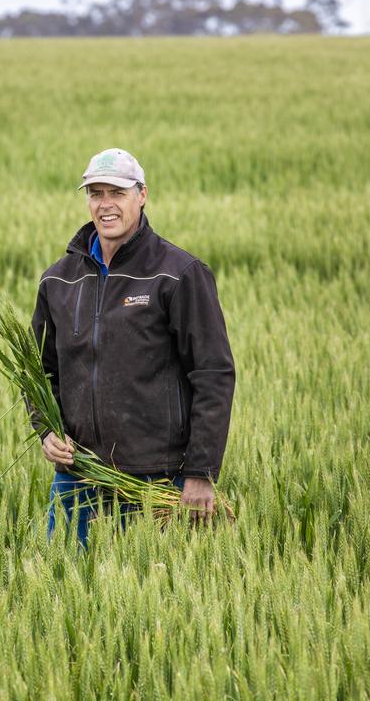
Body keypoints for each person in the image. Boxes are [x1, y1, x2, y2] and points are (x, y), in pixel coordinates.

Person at [29, 148, 235, 545]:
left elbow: (214, 375)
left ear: (142, 195)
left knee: (159, 598)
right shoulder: (58, 280)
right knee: (69, 592)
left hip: (159, 478)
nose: (105, 205)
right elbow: (38, 370)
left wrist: (201, 472)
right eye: (95, 193)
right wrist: (46, 430)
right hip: (79, 478)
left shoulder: (178, 274)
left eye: (117, 193)